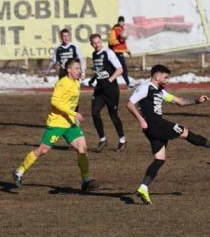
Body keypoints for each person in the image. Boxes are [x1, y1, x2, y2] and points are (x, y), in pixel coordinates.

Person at [126, 64, 210, 205]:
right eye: (166, 77)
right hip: (156, 124)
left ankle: (143, 188)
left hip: (153, 128)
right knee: (185, 132)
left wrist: (197, 101)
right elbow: (130, 104)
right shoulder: (145, 87)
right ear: (157, 77)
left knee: (160, 159)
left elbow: (179, 102)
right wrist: (141, 120)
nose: (168, 79)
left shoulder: (160, 91)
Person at [13, 58, 98, 192]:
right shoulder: (62, 83)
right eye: (76, 68)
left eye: (79, 68)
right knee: (43, 150)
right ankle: (19, 171)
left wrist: (73, 116)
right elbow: (55, 102)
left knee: (82, 149)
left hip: (70, 124)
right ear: (69, 70)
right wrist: (74, 113)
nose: (79, 71)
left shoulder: (76, 82)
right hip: (57, 123)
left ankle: (86, 180)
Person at [90, 33, 127, 152]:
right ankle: (102, 139)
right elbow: (100, 69)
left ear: (102, 42)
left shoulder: (108, 52)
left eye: (98, 42)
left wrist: (110, 80)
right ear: (91, 44)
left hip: (111, 90)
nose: (96, 45)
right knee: (94, 112)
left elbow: (120, 69)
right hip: (99, 89)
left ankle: (122, 140)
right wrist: (93, 78)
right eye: (94, 43)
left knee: (113, 115)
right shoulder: (94, 54)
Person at [108, 15, 133, 88]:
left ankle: (128, 83)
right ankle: (128, 83)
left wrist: (128, 51)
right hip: (115, 52)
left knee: (120, 68)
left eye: (123, 21)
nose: (122, 23)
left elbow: (124, 44)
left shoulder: (123, 30)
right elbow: (111, 42)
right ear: (118, 22)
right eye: (121, 21)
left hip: (120, 52)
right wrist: (119, 40)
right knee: (117, 68)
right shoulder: (114, 30)